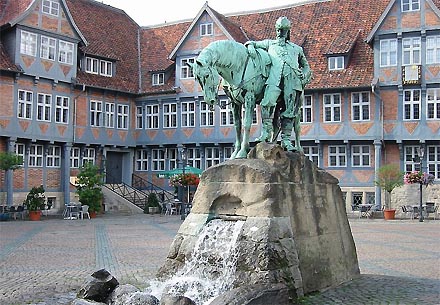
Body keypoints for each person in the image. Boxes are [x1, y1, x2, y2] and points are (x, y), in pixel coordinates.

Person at [245, 16, 312, 151]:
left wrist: (304, 75)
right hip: (274, 80)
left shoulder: (297, 49)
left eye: (283, 30)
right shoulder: (270, 44)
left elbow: (306, 66)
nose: (280, 33)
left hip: (292, 82)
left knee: (290, 110)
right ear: (276, 30)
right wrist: (250, 46)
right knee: (266, 103)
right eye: (279, 30)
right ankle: (265, 133)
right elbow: (251, 43)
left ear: (288, 32)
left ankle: (286, 140)